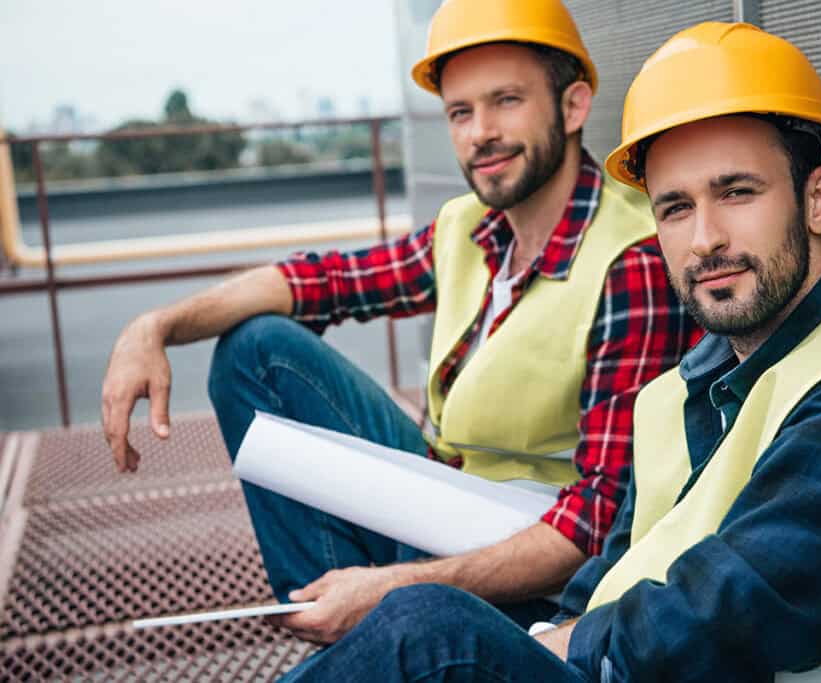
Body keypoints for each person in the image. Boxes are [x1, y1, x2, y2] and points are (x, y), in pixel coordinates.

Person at [283, 21, 821, 682]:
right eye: (676, 207)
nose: (705, 238)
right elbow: (627, 553)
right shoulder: (706, 370)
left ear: (816, 201)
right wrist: (558, 625)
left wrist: (564, 643)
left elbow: (738, 602)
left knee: (428, 628)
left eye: (737, 192)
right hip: (636, 659)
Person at [100, 0, 697, 648]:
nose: (480, 133)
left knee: (386, 615)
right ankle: (344, 621)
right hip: (440, 502)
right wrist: (154, 326)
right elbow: (318, 281)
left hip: (538, 572)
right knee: (256, 350)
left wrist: (399, 586)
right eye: (460, 112)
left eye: (506, 101)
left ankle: (376, 628)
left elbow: (594, 526)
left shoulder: (628, 259)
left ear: (574, 105)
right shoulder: (470, 226)